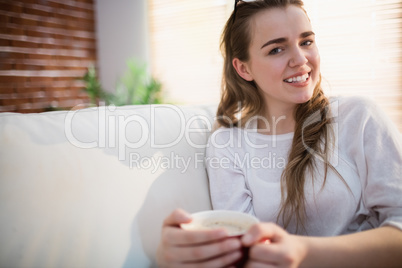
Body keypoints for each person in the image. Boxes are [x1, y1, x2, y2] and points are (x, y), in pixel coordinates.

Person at [156, 0, 402, 267]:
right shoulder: (228, 143)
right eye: (276, 49)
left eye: (306, 42)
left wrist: (304, 253)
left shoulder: (359, 117)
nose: (300, 59)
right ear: (244, 68)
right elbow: (241, 248)